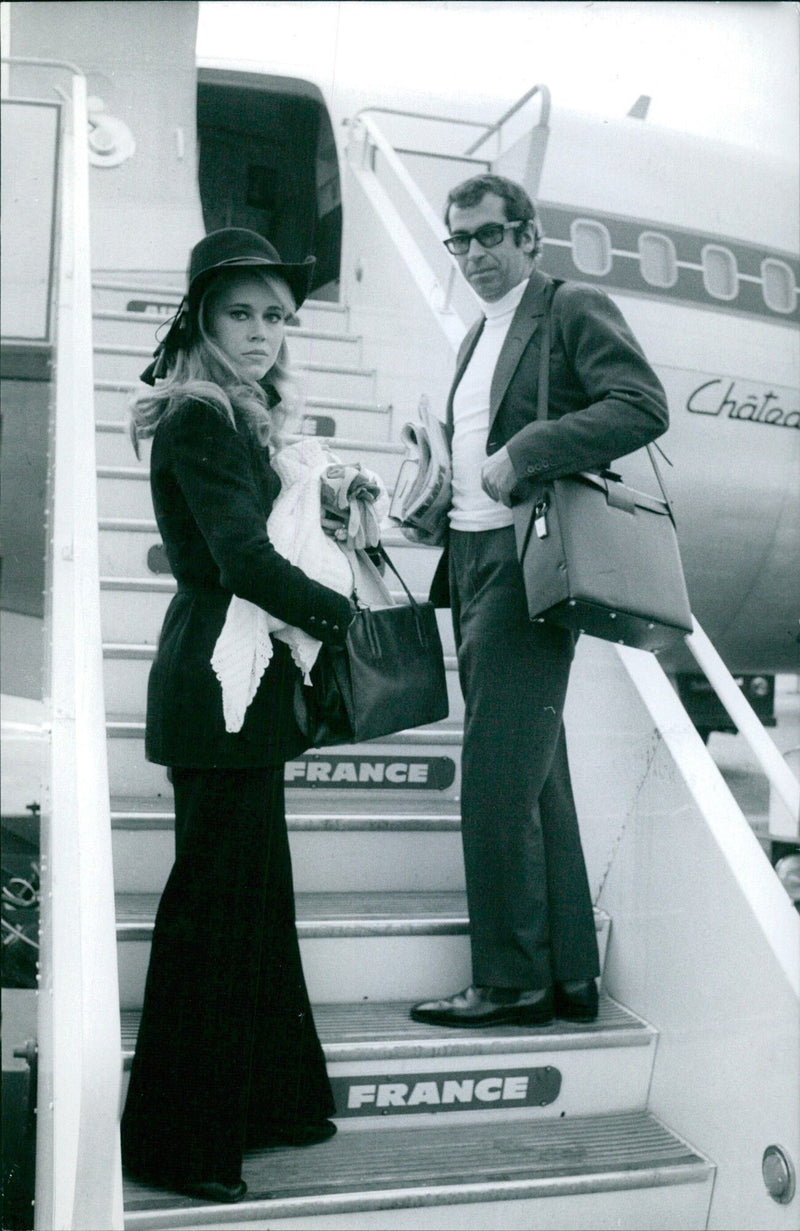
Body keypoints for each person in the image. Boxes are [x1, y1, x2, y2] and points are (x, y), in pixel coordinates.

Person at [120, 228, 357, 1204]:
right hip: (213, 692)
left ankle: (262, 1105)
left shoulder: (242, 419)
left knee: (249, 911)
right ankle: (179, 1144)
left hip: (244, 696)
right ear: (200, 319)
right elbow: (237, 561)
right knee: (214, 919)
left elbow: (268, 547)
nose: (260, 332)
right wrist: (345, 620)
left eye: (274, 317)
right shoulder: (196, 419)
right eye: (240, 313)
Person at [410, 175, 669, 1029]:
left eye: (490, 236)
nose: (475, 254)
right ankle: (566, 978)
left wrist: (528, 448)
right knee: (536, 777)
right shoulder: (479, 334)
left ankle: (508, 981)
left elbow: (641, 404)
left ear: (528, 237)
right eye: (461, 241)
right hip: (476, 554)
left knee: (493, 778)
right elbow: (481, 451)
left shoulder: (567, 305)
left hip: (530, 565)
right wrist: (436, 489)